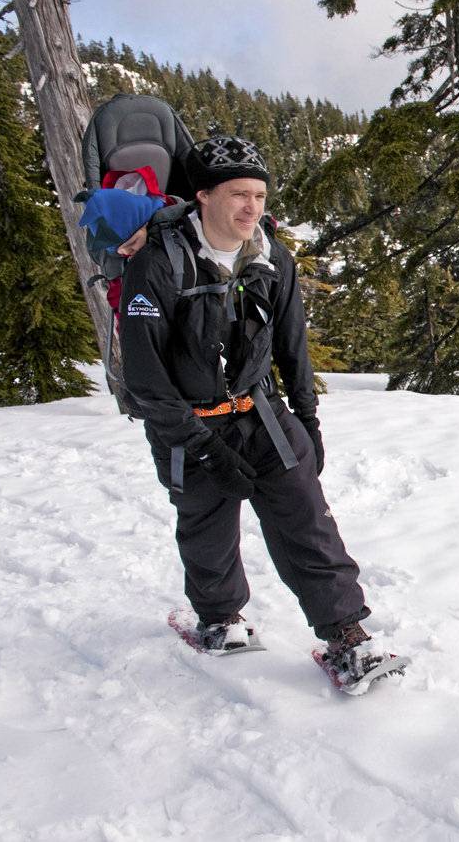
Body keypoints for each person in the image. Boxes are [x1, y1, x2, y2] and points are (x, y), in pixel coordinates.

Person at [119, 136, 385, 682]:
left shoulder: (270, 256)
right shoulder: (160, 262)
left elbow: (293, 347)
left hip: (263, 412)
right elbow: (146, 377)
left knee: (307, 518)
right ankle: (220, 619)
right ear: (203, 196)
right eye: (240, 194)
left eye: (260, 195)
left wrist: (308, 422)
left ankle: (347, 636)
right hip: (188, 423)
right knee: (207, 528)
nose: (252, 208)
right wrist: (203, 448)